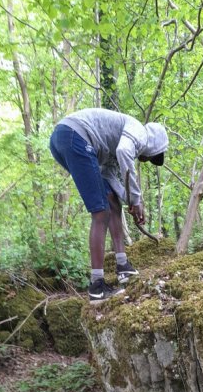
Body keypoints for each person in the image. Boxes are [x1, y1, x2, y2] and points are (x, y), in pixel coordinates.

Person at [49, 108, 168, 300]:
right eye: (151, 157)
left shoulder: (114, 145)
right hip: (75, 136)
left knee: (112, 201)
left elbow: (110, 176)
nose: (146, 160)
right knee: (100, 212)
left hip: (63, 140)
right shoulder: (139, 132)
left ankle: (123, 266)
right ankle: (97, 286)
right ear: (153, 145)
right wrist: (137, 200)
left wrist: (131, 201)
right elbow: (124, 151)